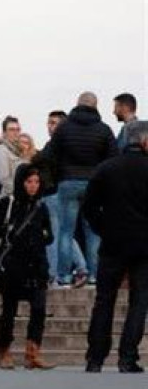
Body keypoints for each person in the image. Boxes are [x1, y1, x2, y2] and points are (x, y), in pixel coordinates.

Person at [82, 120, 148, 373]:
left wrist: (104, 228)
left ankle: (95, 357)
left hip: (112, 243)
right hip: (144, 246)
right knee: (139, 301)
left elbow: (89, 207)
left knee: (104, 299)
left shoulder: (106, 168)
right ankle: (128, 357)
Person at [40, 91, 118, 284]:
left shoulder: (64, 129)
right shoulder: (104, 129)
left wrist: (58, 175)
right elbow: (113, 159)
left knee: (66, 231)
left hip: (67, 182)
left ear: (77, 104)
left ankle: (64, 275)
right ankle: (93, 275)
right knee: (93, 232)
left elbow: (49, 155)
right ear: (96, 105)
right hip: (94, 185)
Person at [0, 165, 55, 370]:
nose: (33, 186)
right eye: (29, 182)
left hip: (36, 265)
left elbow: (49, 235)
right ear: (21, 182)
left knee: (39, 309)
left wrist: (41, 236)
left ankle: (33, 351)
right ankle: (4, 350)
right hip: (13, 265)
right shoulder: (8, 204)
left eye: (36, 182)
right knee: (9, 310)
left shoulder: (41, 207)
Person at [38, 110, 88, 287]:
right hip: (59, 192)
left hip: (53, 193)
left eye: (54, 123)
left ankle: (53, 274)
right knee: (64, 234)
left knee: (54, 235)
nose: (50, 127)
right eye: (49, 122)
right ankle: (81, 268)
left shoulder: (55, 147)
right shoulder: (64, 146)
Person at [0, 116, 23, 202]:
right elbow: (4, 178)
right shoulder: (2, 150)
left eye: (18, 130)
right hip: (10, 199)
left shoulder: (19, 151)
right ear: (4, 133)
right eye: (11, 130)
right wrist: (21, 192)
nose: (15, 132)